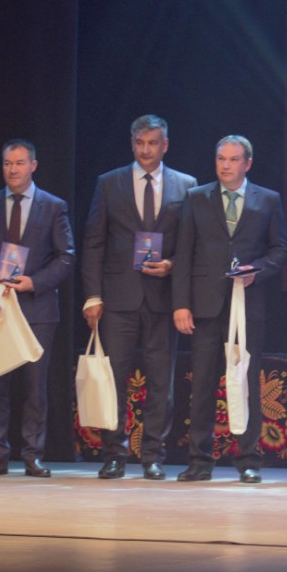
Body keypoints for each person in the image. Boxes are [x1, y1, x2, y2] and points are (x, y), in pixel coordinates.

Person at [81, 115, 198, 481]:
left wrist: (171, 265)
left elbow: (191, 245)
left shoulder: (186, 185)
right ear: (132, 144)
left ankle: (153, 456)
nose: (146, 150)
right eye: (140, 143)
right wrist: (92, 296)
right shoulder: (109, 182)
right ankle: (114, 454)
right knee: (113, 378)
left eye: (153, 143)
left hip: (163, 299)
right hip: (118, 298)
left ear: (165, 145)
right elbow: (94, 242)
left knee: (161, 381)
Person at [172, 135, 287, 484]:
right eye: (221, 158)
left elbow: (280, 250)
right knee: (203, 385)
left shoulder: (267, 199)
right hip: (205, 305)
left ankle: (248, 460)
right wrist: (181, 304)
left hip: (247, 306)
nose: (226, 165)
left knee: (246, 383)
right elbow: (184, 253)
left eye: (233, 159)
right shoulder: (197, 197)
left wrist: (257, 271)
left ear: (247, 163)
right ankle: (199, 461)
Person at [0, 139, 74, 477]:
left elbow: (66, 256)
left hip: (37, 308)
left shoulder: (53, 206)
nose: (13, 169)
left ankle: (32, 455)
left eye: (20, 163)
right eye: (8, 163)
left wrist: (34, 282)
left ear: (33, 166)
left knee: (35, 387)